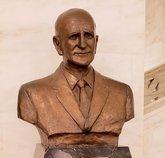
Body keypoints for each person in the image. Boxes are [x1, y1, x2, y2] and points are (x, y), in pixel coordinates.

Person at [18, 8, 134, 147]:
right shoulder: (32, 94)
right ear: (58, 44)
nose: (82, 44)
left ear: (96, 42)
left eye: (88, 36)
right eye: (74, 37)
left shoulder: (122, 93)